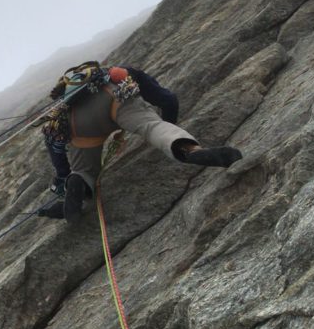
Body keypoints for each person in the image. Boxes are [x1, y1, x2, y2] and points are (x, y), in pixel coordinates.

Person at [39, 62, 242, 223]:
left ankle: (80, 182)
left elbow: (54, 145)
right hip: (116, 98)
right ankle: (188, 149)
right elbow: (168, 99)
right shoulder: (121, 72)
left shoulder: (65, 104)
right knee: (153, 127)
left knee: (83, 171)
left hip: (79, 122)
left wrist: (64, 178)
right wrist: (168, 124)